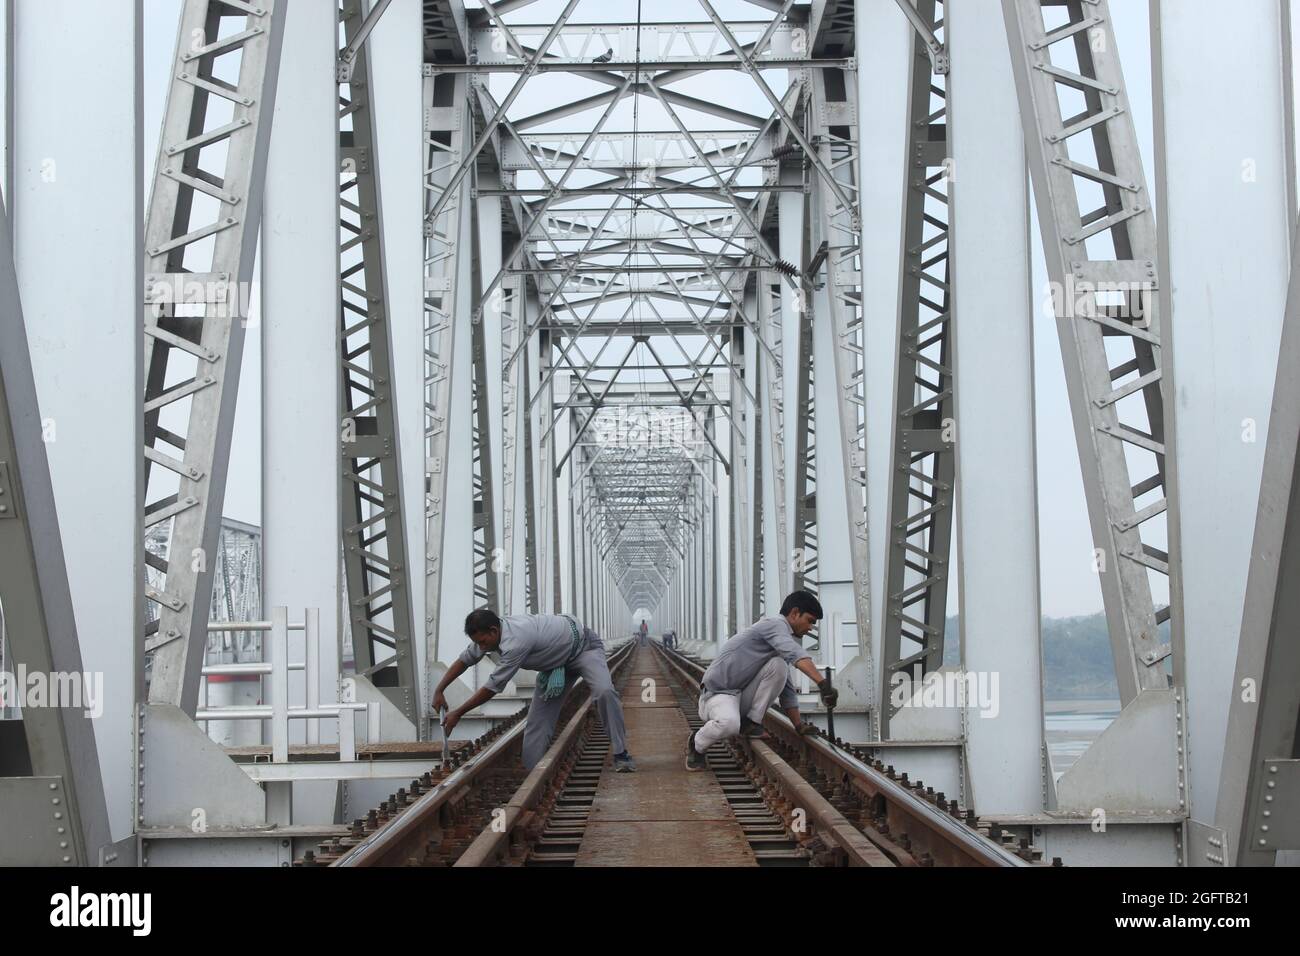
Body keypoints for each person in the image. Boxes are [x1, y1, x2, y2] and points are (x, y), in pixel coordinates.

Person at [434, 609, 637, 772]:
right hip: (555, 664)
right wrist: (439, 689)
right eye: (477, 643)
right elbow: (464, 661)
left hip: (584, 648)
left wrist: (458, 713)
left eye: (483, 642)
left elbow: (491, 688)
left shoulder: (515, 642)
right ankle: (533, 773)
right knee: (537, 720)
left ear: (494, 631)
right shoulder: (489, 636)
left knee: (604, 692)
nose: (481, 647)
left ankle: (621, 754)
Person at [685, 589, 837, 771]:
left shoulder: (780, 643)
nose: (810, 627)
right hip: (717, 694)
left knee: (779, 665)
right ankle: (696, 744)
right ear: (795, 613)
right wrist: (822, 684)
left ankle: (751, 723)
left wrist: (798, 725)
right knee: (730, 724)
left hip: (739, 696)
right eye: (810, 621)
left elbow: (786, 688)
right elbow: (796, 654)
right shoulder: (774, 625)